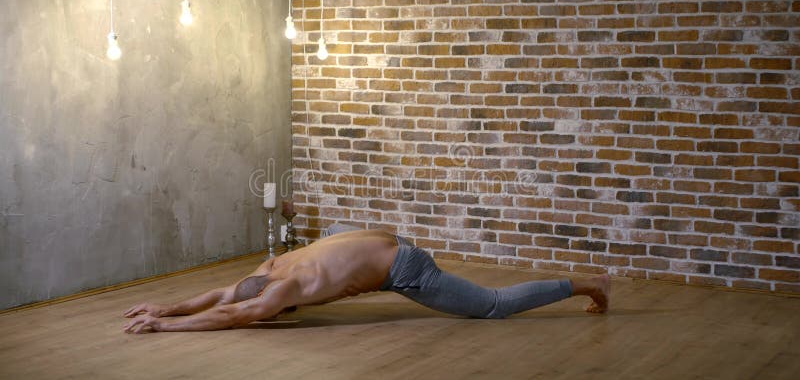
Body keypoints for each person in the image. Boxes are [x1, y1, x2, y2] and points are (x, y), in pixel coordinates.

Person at [123, 224, 610, 333]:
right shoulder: (269, 266)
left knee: (493, 305)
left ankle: (585, 284)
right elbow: (221, 295)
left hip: (403, 267)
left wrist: (165, 327)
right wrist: (165, 307)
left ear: (276, 301)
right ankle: (583, 284)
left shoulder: (281, 285)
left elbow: (234, 312)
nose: (264, 312)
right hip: (373, 238)